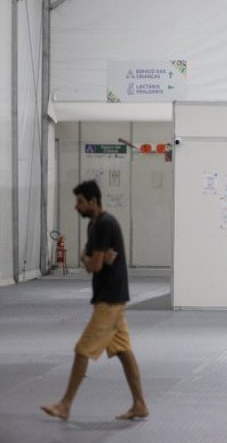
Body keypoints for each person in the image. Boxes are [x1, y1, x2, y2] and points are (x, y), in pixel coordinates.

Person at [41, 180, 148, 421]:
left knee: (82, 350)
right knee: (123, 349)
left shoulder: (103, 225)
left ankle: (65, 404)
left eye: (80, 201)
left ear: (93, 201)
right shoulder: (95, 224)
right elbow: (96, 263)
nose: (76, 207)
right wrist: (92, 260)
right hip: (114, 297)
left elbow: (93, 265)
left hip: (109, 300)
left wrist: (86, 258)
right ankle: (140, 404)